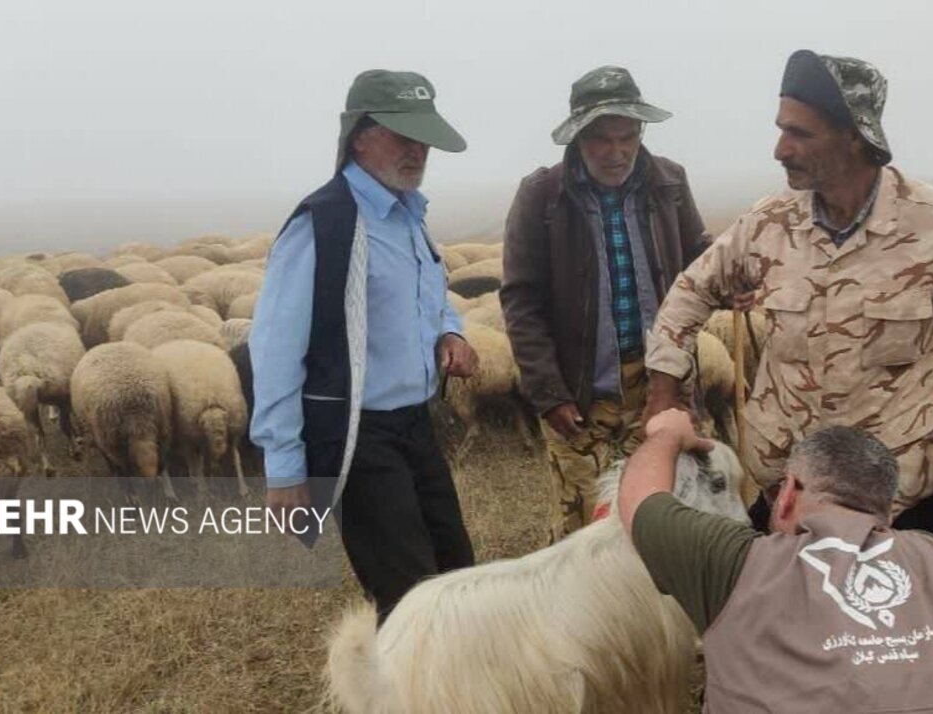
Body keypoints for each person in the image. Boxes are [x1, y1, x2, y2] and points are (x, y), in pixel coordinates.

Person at [644, 50, 933, 532]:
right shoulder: (766, 224)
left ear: (855, 138)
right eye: (781, 129)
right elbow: (687, 295)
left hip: (894, 504)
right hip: (785, 496)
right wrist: (664, 391)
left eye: (800, 133)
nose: (780, 149)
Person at [249, 69, 478, 622]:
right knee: (409, 596)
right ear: (359, 136)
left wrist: (450, 331)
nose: (417, 150)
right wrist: (284, 466)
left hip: (415, 424)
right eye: (403, 136)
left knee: (459, 570)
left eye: (422, 139)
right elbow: (276, 344)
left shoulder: (408, 215)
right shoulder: (324, 224)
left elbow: (427, 298)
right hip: (362, 434)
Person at [620, 411, 933, 713]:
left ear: (789, 493)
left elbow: (640, 502)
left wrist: (668, 433)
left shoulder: (737, 565)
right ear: (887, 509)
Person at [501, 65, 711, 542]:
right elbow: (521, 299)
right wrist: (548, 391)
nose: (617, 153)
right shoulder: (542, 196)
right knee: (586, 531)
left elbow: (698, 262)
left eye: (628, 137)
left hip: (661, 383)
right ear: (578, 137)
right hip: (580, 392)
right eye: (602, 139)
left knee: (668, 516)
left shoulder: (668, 183)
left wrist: (732, 276)